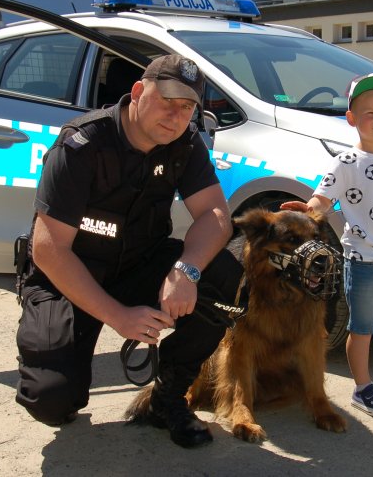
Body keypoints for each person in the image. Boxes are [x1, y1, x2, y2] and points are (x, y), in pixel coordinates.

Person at [14, 54, 243, 448]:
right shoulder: (83, 144)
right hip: (70, 276)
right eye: (166, 101)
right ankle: (63, 368)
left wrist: (185, 271)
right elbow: (50, 250)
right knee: (51, 400)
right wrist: (117, 315)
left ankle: (167, 399)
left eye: (187, 107)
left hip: (137, 263)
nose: (175, 116)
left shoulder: (184, 143)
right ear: (138, 92)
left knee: (223, 271)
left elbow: (216, 215)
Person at [282, 74, 373, 418]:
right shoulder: (346, 163)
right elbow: (322, 199)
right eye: (369, 113)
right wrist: (308, 211)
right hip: (364, 262)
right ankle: (362, 388)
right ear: (351, 118)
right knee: (362, 329)